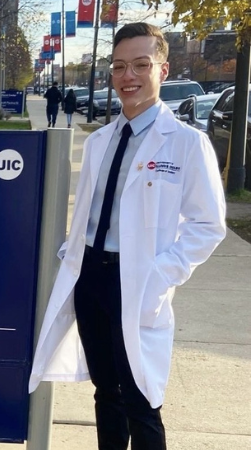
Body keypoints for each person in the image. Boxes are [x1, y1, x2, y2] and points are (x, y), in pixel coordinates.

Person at [29, 22, 226, 450]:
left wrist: (161, 273)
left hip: (137, 283)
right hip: (92, 279)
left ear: (163, 70)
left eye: (141, 64)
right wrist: (72, 253)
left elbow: (208, 225)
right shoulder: (100, 141)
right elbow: (88, 212)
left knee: (142, 399)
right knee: (106, 393)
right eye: (119, 67)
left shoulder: (188, 145)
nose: (128, 76)